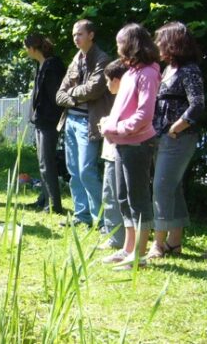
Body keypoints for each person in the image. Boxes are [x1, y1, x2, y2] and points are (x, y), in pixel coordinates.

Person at [100, 23, 160, 270]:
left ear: (132, 44)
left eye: (120, 43)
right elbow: (120, 111)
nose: (118, 48)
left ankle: (139, 255)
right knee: (123, 198)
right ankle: (127, 248)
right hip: (121, 144)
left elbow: (143, 116)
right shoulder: (129, 73)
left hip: (137, 144)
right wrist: (108, 123)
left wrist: (115, 129)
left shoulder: (148, 73)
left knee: (138, 199)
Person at [146, 22, 205, 259]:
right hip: (162, 136)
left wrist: (177, 127)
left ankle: (157, 245)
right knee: (173, 187)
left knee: (161, 187)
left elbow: (198, 103)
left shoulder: (189, 69)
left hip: (178, 138)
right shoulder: (168, 69)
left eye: (160, 41)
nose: (156, 45)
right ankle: (174, 242)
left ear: (173, 43)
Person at [55, 20, 111, 227]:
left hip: (89, 122)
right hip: (70, 120)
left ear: (91, 35)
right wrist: (73, 96)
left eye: (79, 34)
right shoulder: (75, 59)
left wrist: (70, 93)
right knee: (73, 171)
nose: (75, 38)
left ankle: (103, 219)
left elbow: (94, 89)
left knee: (87, 170)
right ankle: (82, 216)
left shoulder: (102, 59)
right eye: (73, 35)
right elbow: (60, 93)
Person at [24, 33, 66, 213]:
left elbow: (55, 97)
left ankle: (54, 205)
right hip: (40, 121)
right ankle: (44, 199)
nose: (26, 52)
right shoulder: (41, 65)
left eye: (27, 48)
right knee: (42, 162)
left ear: (33, 49)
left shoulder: (52, 66)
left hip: (49, 122)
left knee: (47, 162)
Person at [97, 59, 127, 250]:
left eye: (108, 81)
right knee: (109, 194)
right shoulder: (120, 97)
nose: (107, 85)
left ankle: (116, 238)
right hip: (111, 151)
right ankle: (113, 234)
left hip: (117, 150)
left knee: (113, 195)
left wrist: (106, 125)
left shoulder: (126, 96)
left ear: (117, 80)